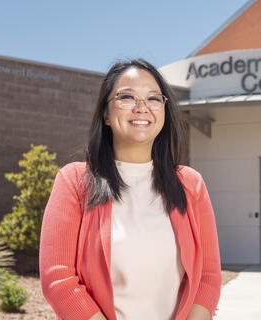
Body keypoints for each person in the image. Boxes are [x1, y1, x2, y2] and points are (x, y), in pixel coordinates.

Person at [39, 59, 222, 320]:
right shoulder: (74, 181)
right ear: (106, 113)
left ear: (164, 110)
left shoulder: (191, 185)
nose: (142, 108)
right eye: (126, 97)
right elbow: (58, 279)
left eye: (153, 99)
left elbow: (208, 276)